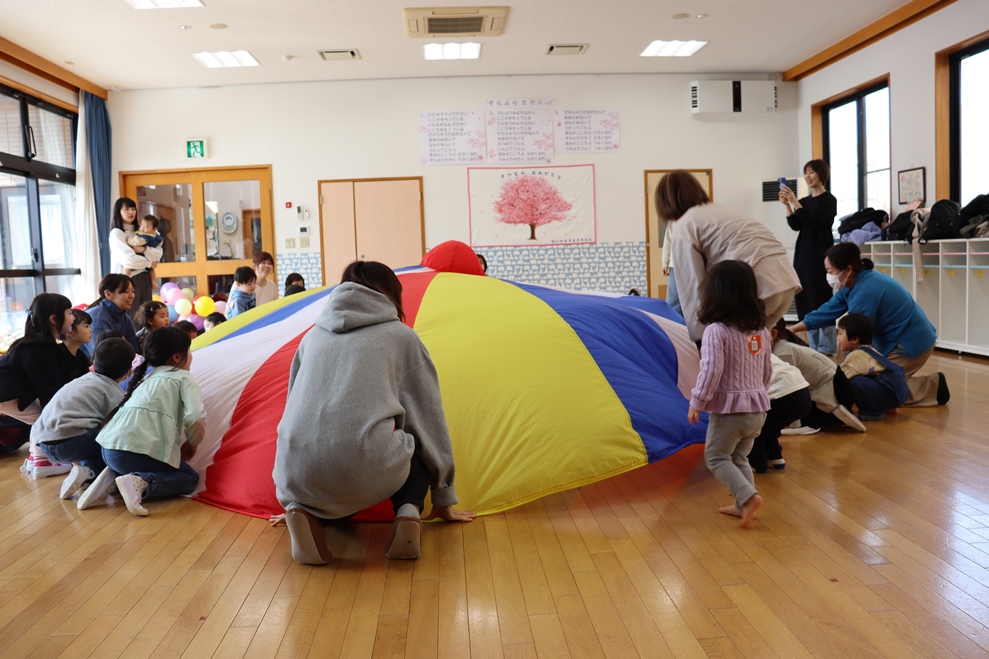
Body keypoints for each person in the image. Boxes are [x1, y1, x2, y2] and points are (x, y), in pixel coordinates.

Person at [273, 260, 475, 564]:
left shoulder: (310, 337)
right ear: (391, 292)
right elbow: (427, 419)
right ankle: (408, 511)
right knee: (413, 443)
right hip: (360, 464)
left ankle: (304, 513)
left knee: (332, 494)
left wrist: (291, 497)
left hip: (294, 470)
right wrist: (443, 495)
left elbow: (292, 408)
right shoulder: (401, 337)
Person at [788, 243, 948, 407]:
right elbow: (828, 310)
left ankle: (934, 387)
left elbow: (856, 336)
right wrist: (793, 329)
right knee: (861, 381)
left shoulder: (866, 290)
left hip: (909, 344)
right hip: (894, 341)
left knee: (873, 388)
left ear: (848, 269)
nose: (828, 276)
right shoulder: (852, 284)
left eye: (830, 271)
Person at [656, 170, 801, 343]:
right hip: (785, 281)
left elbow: (692, 289)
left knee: (737, 352)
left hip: (758, 287)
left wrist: (702, 342)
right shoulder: (724, 210)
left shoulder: (685, 224)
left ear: (664, 203)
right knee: (757, 351)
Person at [80, 327, 205, 515]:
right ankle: (141, 481)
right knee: (189, 477)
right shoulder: (182, 377)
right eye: (189, 350)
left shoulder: (146, 378)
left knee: (141, 463)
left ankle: (114, 479)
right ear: (177, 357)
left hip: (108, 450)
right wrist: (193, 442)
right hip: (132, 453)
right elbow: (196, 416)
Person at [687, 260, 772, 528]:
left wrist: (698, 401)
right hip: (758, 409)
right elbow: (767, 369)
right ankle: (742, 505)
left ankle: (747, 498)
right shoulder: (761, 330)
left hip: (731, 412)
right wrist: (760, 395)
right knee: (738, 457)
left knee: (716, 457)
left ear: (715, 294)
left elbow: (711, 369)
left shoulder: (716, 330)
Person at [34, 338, 134, 500]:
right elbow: (120, 429)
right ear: (129, 371)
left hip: (43, 443)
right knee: (114, 437)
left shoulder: (82, 381)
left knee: (94, 430)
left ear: (93, 362)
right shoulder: (114, 393)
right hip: (69, 444)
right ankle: (90, 473)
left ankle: (85, 478)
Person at [0, 293, 76, 476]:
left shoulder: (35, 344)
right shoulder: (40, 348)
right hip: (6, 394)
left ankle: (37, 460)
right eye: (69, 312)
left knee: (41, 416)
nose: (73, 317)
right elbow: (48, 391)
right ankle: (42, 462)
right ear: (54, 319)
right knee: (44, 417)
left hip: (7, 394)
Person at [780, 160, 838, 356]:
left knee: (822, 298)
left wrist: (795, 202)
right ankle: (814, 346)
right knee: (806, 298)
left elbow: (814, 222)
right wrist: (788, 206)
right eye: (806, 172)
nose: (807, 176)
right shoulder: (804, 202)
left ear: (822, 174)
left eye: (811, 172)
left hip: (822, 256)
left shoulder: (829, 200)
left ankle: (827, 346)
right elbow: (796, 225)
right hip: (803, 256)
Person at [771, 320, 865, 433]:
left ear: (773, 334)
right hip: (828, 386)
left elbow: (788, 390)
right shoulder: (780, 348)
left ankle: (834, 417)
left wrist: (793, 424)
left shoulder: (783, 352)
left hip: (835, 389)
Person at [836, 313, 909, 421]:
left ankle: (871, 413)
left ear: (854, 339)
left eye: (840, 334)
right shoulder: (870, 350)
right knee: (863, 379)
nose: (838, 338)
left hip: (892, 393)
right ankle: (888, 407)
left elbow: (840, 377)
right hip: (899, 391)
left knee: (857, 382)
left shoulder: (856, 355)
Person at [748, 355, 812, 474]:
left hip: (784, 394)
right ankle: (775, 457)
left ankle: (757, 464)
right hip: (803, 392)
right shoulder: (759, 350)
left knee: (754, 429)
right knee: (771, 427)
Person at [108, 198, 163, 321]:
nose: (131, 212)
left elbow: (158, 253)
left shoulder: (143, 230)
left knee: (146, 317)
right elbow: (129, 260)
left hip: (145, 277)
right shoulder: (117, 233)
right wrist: (149, 263)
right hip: (128, 279)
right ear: (118, 212)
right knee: (132, 317)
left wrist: (144, 250)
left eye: (133, 209)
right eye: (126, 209)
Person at [84, 274, 140, 357]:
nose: (131, 296)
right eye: (126, 291)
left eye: (132, 291)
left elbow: (135, 350)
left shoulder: (125, 318)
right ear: (108, 294)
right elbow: (100, 356)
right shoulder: (97, 318)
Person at [124, 215, 162, 289]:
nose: (142, 228)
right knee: (151, 270)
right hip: (149, 258)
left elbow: (136, 242)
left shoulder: (145, 237)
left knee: (127, 265)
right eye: (141, 225)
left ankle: (126, 278)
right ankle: (153, 281)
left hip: (141, 256)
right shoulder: (155, 236)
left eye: (146, 226)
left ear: (154, 228)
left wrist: (129, 240)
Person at [61, 308, 94, 382]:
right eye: (86, 326)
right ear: (69, 331)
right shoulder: (58, 355)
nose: (91, 330)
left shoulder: (81, 356)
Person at [661, 222, 683, 316]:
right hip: (675, 265)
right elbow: (667, 242)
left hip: (692, 264)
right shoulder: (672, 221)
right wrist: (665, 263)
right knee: (672, 302)